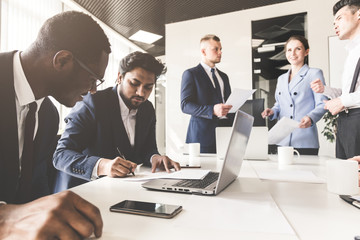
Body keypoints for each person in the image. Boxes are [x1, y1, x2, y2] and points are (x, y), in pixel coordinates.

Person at [0, 11, 111, 239]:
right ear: (62, 61)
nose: (93, 91)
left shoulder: (48, 115)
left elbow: (35, 189)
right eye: (93, 79)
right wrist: (4, 218)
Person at [53, 51, 180, 192]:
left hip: (125, 191)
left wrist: (155, 157)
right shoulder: (91, 104)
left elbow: (147, 148)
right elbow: (61, 155)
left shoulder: (147, 108)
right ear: (119, 77)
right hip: (83, 192)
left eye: (148, 87)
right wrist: (102, 166)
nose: (141, 93)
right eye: (134, 84)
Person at [262, 35, 327, 155]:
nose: (293, 53)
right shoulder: (281, 79)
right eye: (289, 50)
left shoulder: (314, 73)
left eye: (298, 49)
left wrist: (310, 117)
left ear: (306, 52)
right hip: (282, 140)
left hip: (305, 138)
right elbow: (279, 104)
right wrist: (272, 111)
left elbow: (322, 103)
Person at [311, 0, 360, 159]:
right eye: (333, 22)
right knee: (346, 177)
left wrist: (342, 101)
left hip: (357, 119)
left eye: (339, 18)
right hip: (346, 121)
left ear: (358, 14)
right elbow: (349, 92)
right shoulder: (352, 52)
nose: (335, 25)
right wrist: (325, 90)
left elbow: (347, 98)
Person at [181, 34, 233, 153]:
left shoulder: (224, 77)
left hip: (225, 135)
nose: (220, 52)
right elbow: (185, 105)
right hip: (201, 137)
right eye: (216, 49)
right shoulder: (191, 74)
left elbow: (228, 103)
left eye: (221, 49)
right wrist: (212, 110)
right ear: (203, 52)